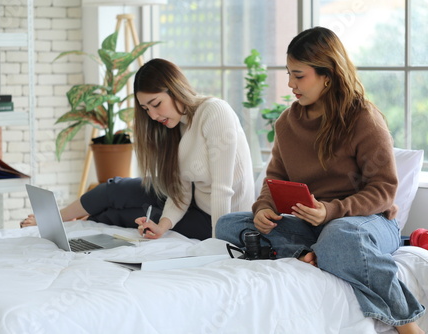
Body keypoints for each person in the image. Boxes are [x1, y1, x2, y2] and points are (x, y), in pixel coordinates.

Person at [215, 27, 425, 333]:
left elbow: (383, 191)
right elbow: (274, 179)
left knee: (340, 237)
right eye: (289, 74)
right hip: (313, 226)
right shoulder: (287, 123)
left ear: (328, 75)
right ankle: (313, 252)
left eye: (299, 76)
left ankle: (408, 325)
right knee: (230, 225)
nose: (290, 84)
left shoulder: (363, 119)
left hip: (366, 223)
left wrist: (331, 211)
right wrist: (262, 209)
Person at [21, 58, 255, 240]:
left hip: (222, 219)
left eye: (156, 104)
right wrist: (162, 227)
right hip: (193, 201)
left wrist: (220, 244)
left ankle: (77, 221)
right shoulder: (175, 127)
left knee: (122, 216)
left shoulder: (214, 112)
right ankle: (55, 219)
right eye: (146, 109)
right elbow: (180, 191)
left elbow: (223, 190)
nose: (153, 116)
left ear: (175, 89)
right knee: (114, 190)